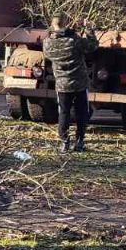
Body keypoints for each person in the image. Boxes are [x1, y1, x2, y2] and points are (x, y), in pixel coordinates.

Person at [43, 14, 98, 153]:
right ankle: (79, 142)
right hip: (79, 83)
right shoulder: (74, 40)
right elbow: (92, 46)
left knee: (64, 112)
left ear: (52, 24)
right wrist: (89, 29)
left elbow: (49, 54)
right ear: (66, 23)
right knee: (82, 112)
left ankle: (64, 143)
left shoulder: (48, 43)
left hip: (62, 84)